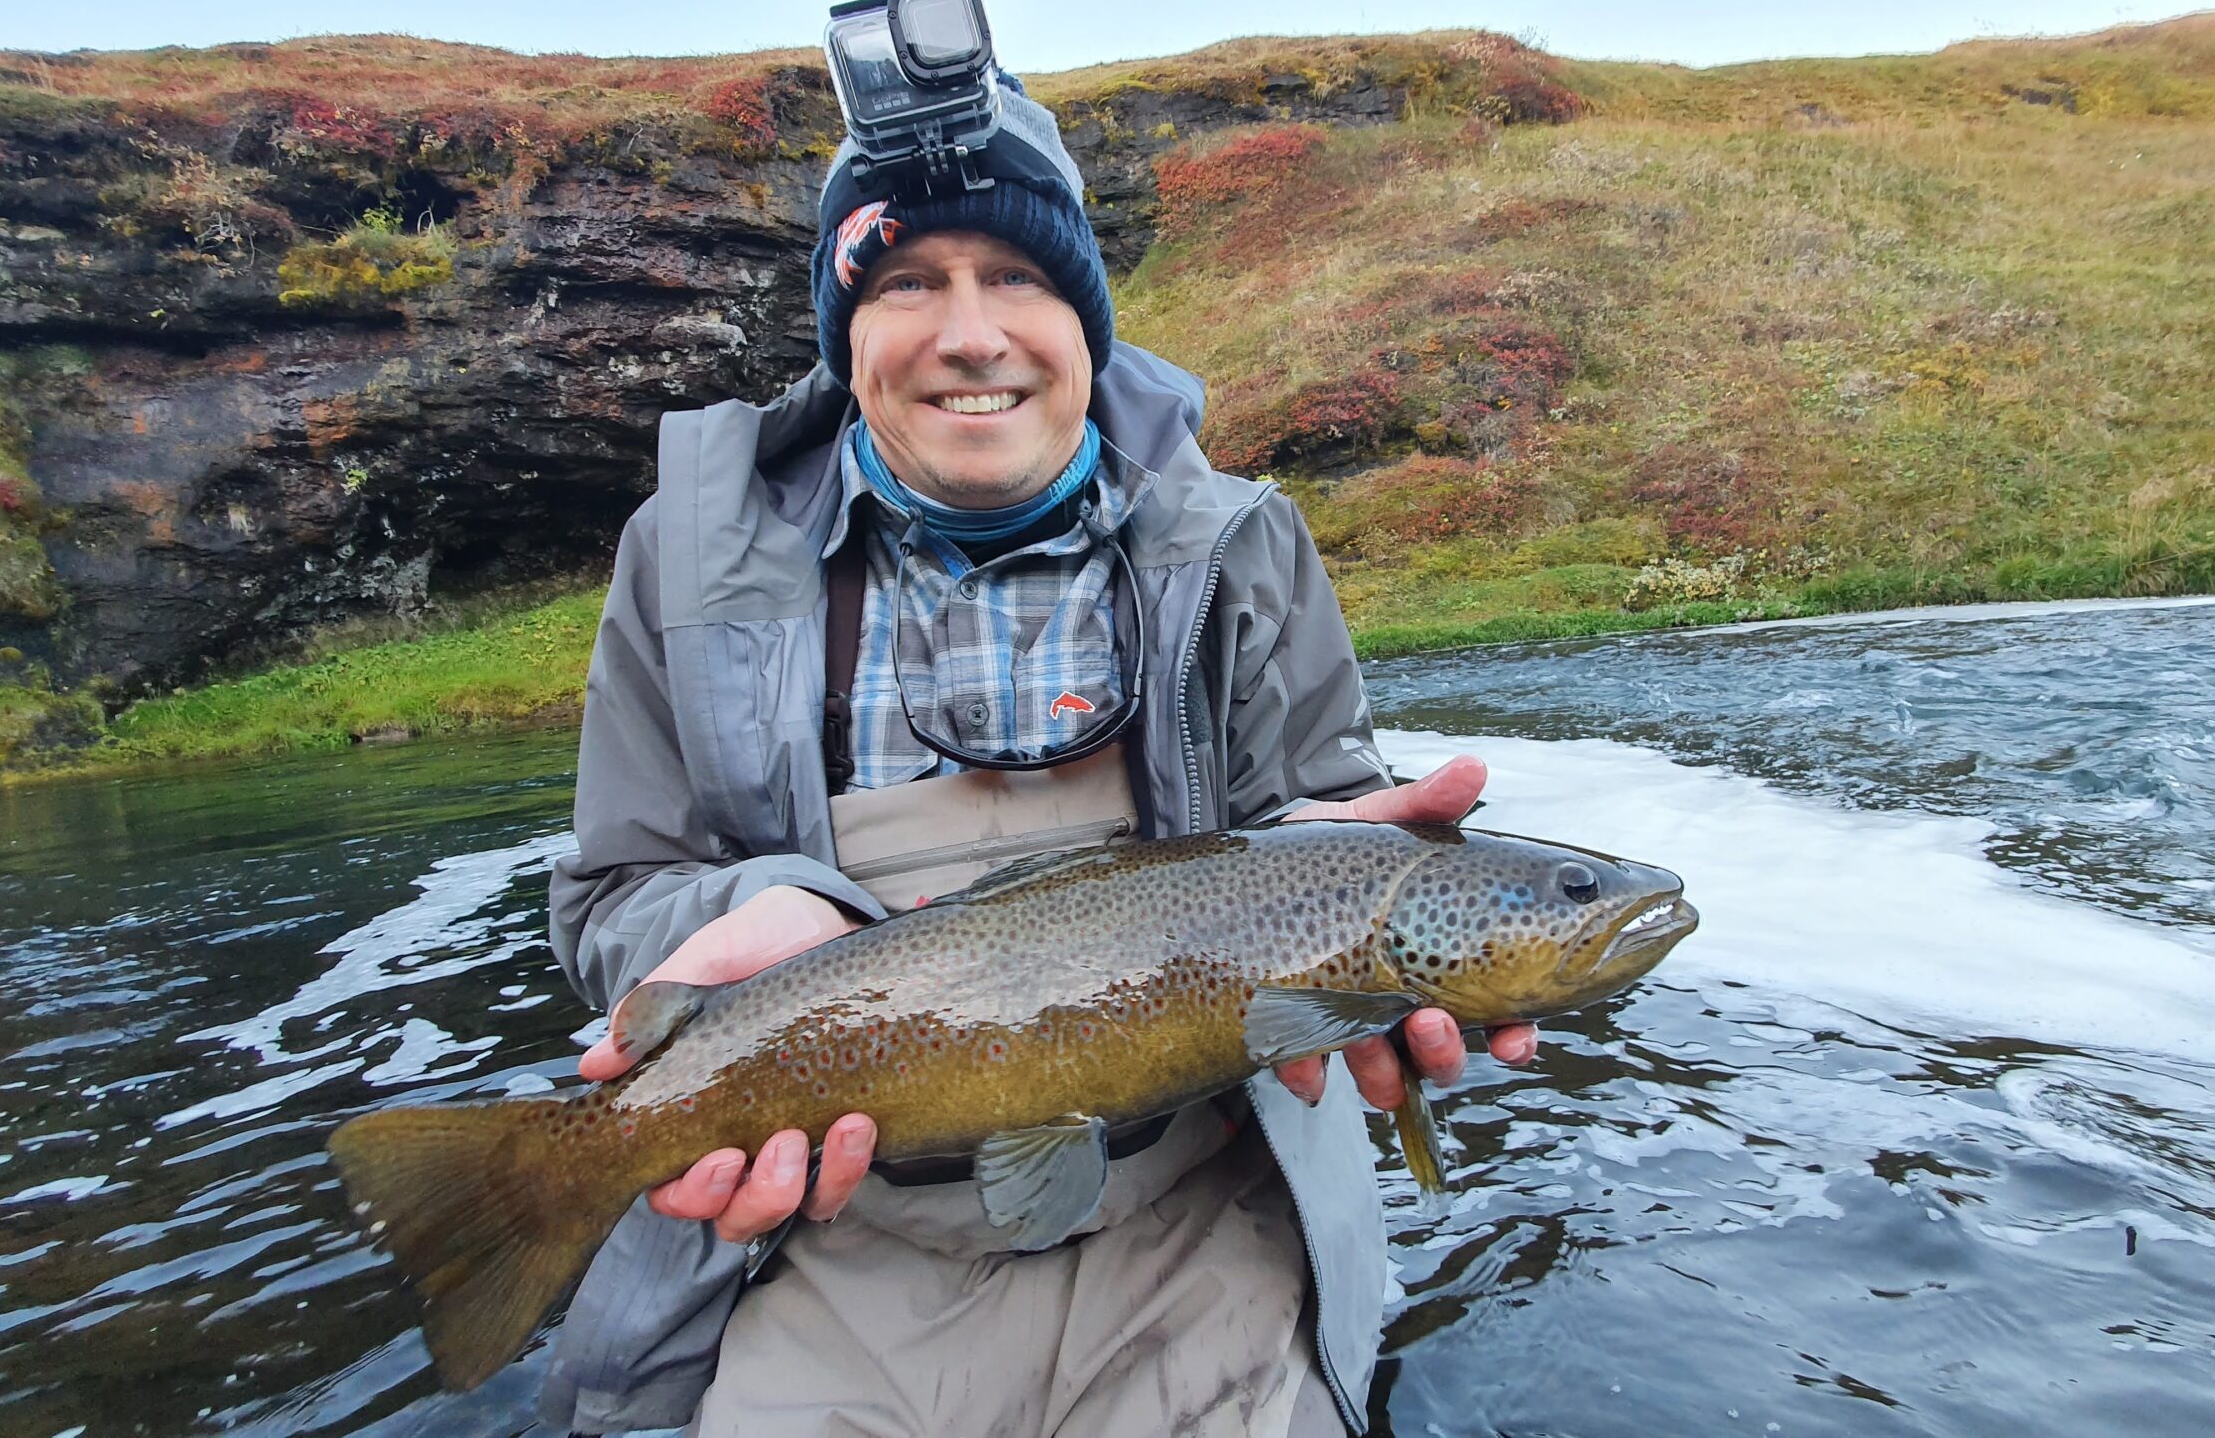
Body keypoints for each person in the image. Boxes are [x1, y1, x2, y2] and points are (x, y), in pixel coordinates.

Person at [536, 74, 1539, 1437]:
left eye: (1017, 275)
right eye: (907, 284)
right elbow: (613, 899)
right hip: (825, 1224)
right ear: (844, 335)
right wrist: (755, 916)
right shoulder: (686, 564)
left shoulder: (1244, 541)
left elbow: (1315, 806)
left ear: (1083, 321)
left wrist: (1333, 859)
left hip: (1199, 1209)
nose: (971, 335)